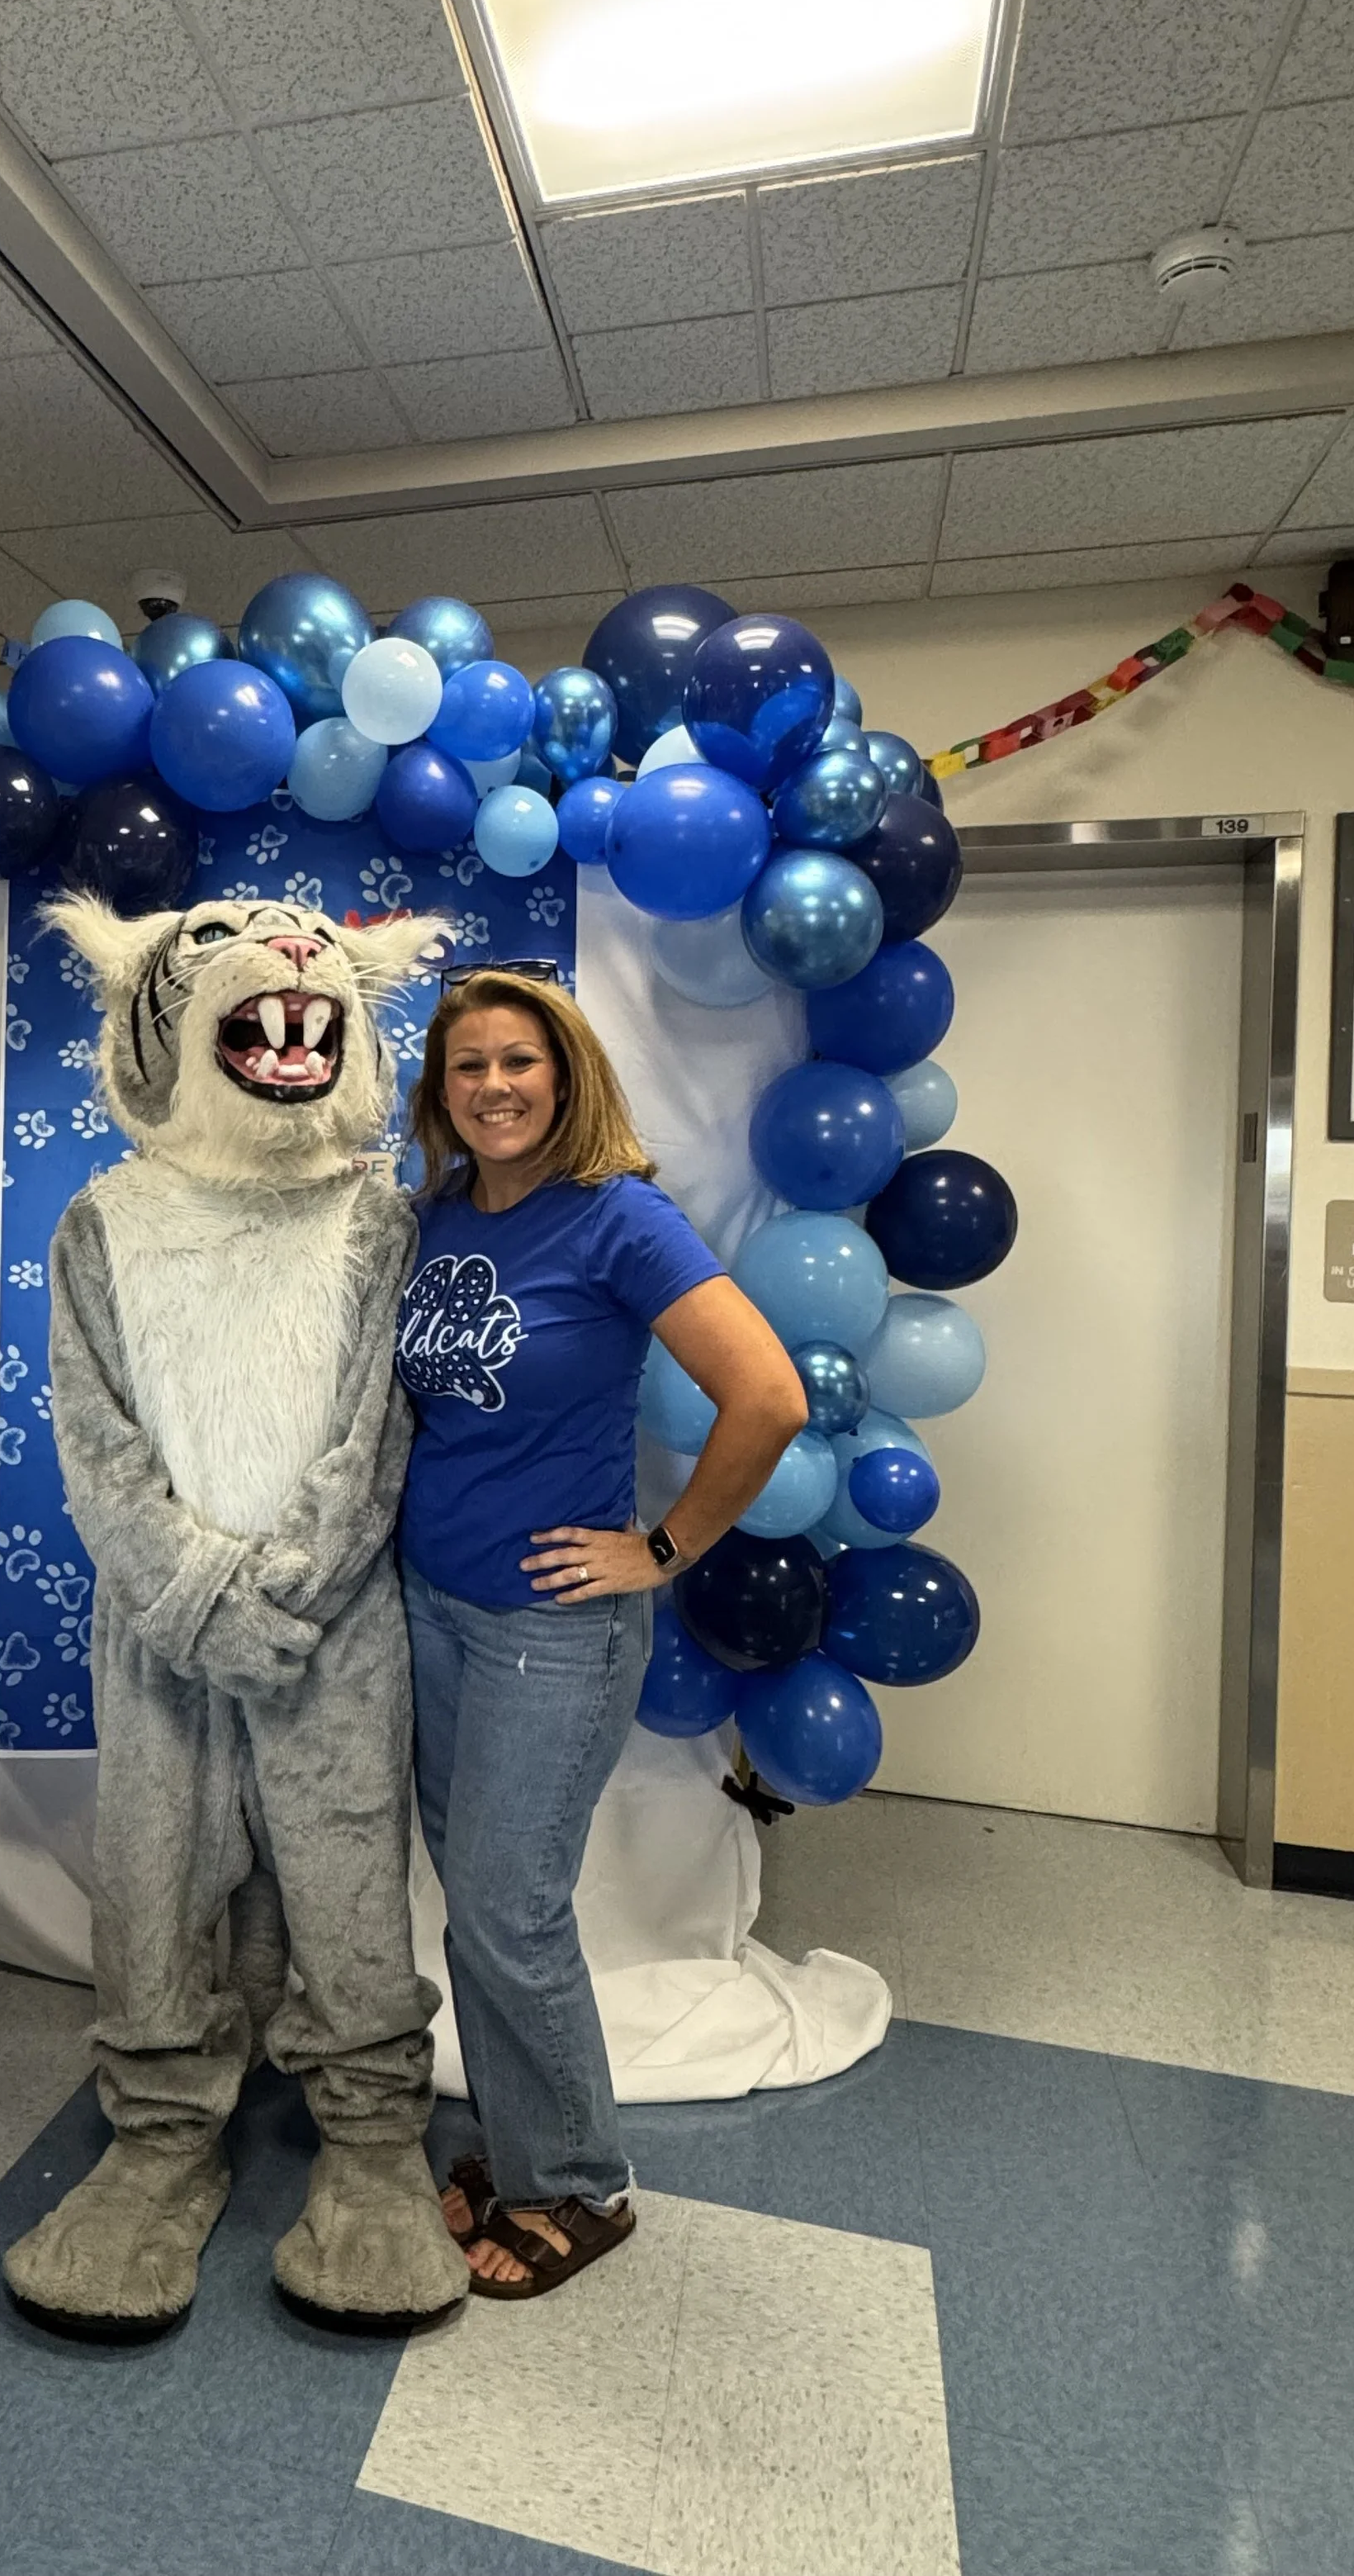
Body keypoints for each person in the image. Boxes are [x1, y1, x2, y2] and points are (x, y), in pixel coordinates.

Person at [395, 963, 806, 2302]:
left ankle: (581, 2184)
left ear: (565, 1079)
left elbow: (769, 1397)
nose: (495, 1087)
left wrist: (663, 1548)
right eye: (470, 1067)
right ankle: (523, 2150)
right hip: (434, 1608)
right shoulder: (442, 1212)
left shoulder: (620, 1221)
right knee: (477, 1905)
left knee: (509, 1914)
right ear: (440, 1091)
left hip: (549, 1636)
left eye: (520, 1063)